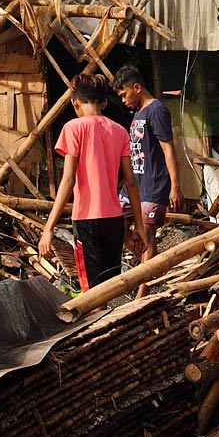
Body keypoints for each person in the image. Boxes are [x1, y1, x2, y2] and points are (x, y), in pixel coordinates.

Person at [39, 75, 147, 292]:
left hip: (87, 220)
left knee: (91, 292)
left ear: (74, 102)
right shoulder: (119, 131)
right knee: (107, 290)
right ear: (104, 103)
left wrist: (48, 228)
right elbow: (131, 182)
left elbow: (68, 180)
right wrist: (140, 226)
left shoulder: (73, 128)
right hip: (114, 220)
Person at [113, 66, 183, 299]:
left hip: (153, 186)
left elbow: (168, 149)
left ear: (137, 87)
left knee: (149, 236)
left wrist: (175, 186)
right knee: (117, 222)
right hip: (134, 185)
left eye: (124, 94)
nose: (123, 100)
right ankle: (141, 262)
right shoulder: (138, 113)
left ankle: (142, 292)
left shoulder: (157, 110)